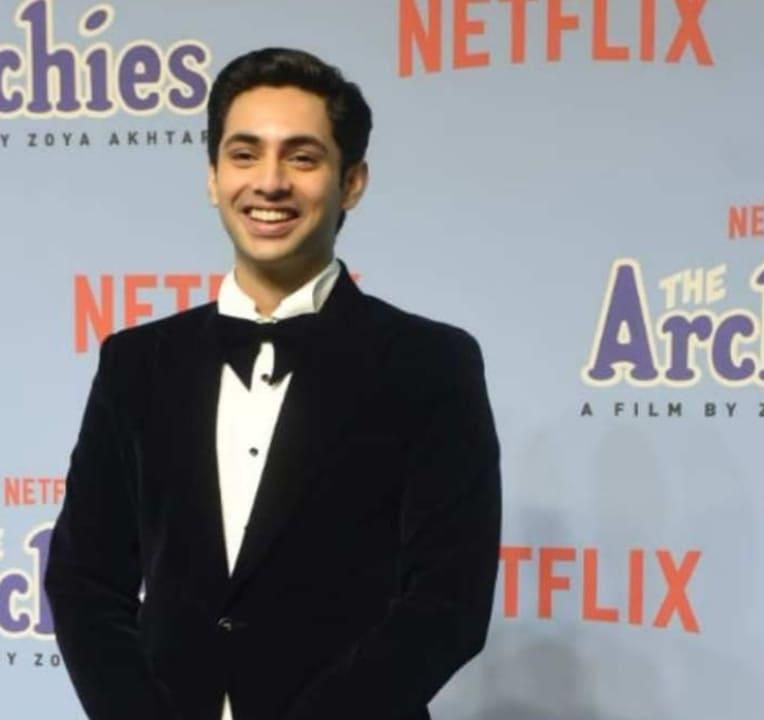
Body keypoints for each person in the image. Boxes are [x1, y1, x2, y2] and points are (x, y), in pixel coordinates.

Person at [44, 47, 501, 720]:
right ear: (213, 177)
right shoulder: (136, 363)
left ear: (352, 182)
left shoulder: (430, 363)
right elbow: (84, 580)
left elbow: (448, 604)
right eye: (244, 154)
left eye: (303, 157)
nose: (270, 182)